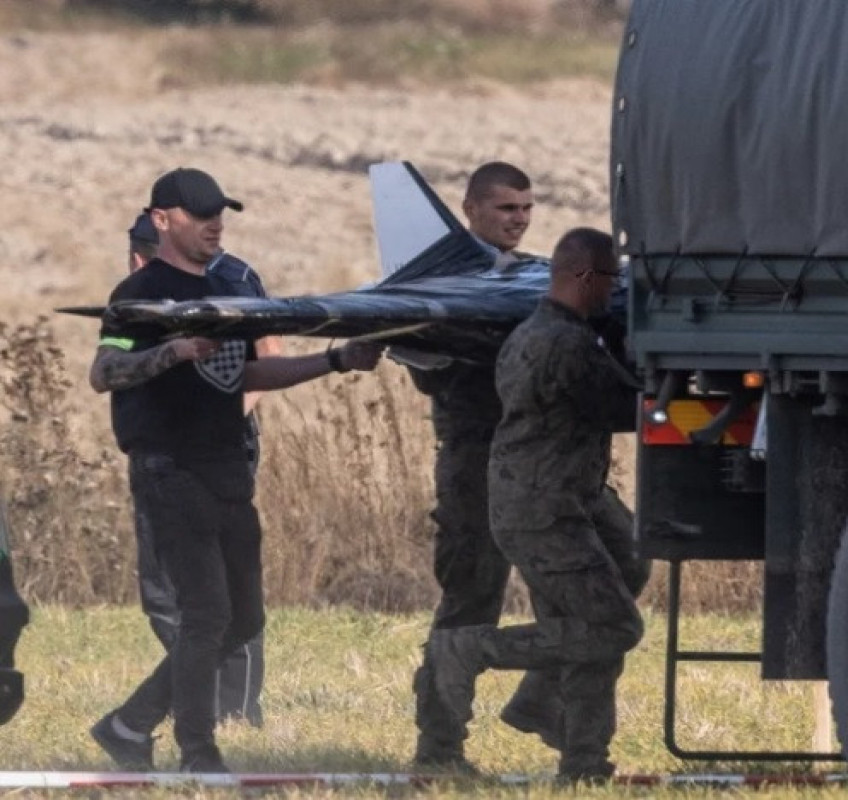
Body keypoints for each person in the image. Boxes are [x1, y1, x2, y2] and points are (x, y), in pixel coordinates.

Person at [89, 168, 384, 773]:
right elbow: (104, 372)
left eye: (219, 214)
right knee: (206, 613)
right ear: (162, 220)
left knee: (244, 617)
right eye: (200, 215)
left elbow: (246, 373)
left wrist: (335, 360)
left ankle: (128, 724)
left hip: (226, 467)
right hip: (168, 469)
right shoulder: (137, 296)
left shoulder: (230, 291)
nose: (214, 225)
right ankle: (198, 750)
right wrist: (171, 351)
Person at [425, 227, 649, 782]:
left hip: (564, 498)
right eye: (609, 279)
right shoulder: (564, 344)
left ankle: (581, 756)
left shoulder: (536, 332)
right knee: (612, 626)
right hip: (545, 508)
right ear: (584, 277)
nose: (612, 291)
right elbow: (621, 407)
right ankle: (472, 649)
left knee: (610, 588)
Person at [406, 161, 542, 771]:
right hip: (474, 460)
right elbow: (421, 362)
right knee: (473, 598)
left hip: (538, 459)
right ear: (471, 210)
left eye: (526, 208)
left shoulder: (528, 276)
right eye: (507, 208)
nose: (519, 219)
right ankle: (439, 747)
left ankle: (544, 702)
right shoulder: (445, 283)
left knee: (605, 583)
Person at [125, 213, 278, 728]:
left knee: (230, 594)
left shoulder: (233, 279)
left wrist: (216, 420)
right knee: (164, 594)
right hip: (160, 455)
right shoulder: (139, 293)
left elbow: (268, 356)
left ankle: (235, 709)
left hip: (219, 454)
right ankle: (191, 699)